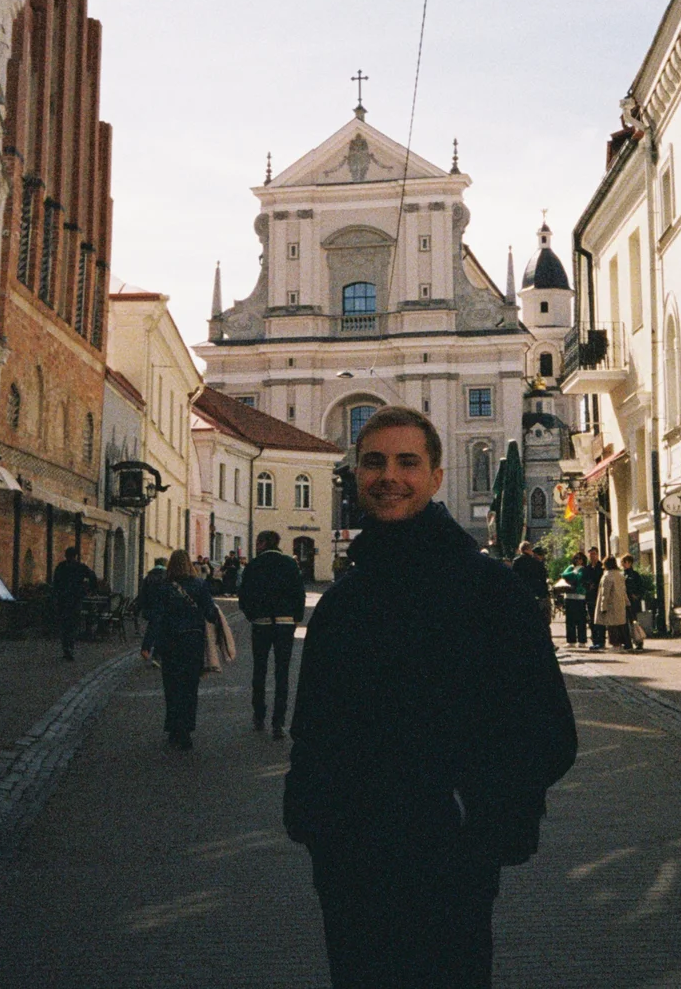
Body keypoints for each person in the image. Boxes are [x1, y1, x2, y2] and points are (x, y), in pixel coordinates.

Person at [284, 406, 577, 989]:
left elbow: (550, 733)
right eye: (374, 462)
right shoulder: (341, 602)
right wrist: (313, 820)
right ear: (355, 473)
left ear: (437, 475)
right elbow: (311, 731)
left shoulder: (490, 590)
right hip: (349, 861)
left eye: (407, 462)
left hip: (448, 860)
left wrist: (477, 817)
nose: (389, 476)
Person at [140, 549, 219, 750]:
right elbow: (210, 614)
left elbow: (156, 618)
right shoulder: (200, 585)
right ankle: (186, 729)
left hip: (170, 643)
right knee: (190, 688)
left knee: (172, 686)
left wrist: (147, 645)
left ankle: (174, 727)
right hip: (192, 642)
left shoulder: (163, 587)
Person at [238, 529, 306, 738]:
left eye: (258, 541)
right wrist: (295, 618)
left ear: (263, 543)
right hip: (285, 623)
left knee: (260, 670)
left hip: (262, 623)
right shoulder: (289, 564)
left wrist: (252, 615)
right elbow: (299, 593)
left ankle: (259, 715)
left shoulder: (254, 565)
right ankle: (279, 722)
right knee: (282, 672)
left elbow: (244, 595)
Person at [52, 546, 97, 660]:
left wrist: (57, 595)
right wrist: (89, 590)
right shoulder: (80, 567)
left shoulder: (61, 567)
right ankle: (70, 648)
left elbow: (55, 583)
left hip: (63, 599)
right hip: (75, 599)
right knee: (73, 624)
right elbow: (92, 577)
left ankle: (66, 647)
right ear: (76, 556)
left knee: (64, 625)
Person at [512, 540, 550, 629]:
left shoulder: (517, 562)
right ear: (529, 550)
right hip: (536, 591)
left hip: (521, 591)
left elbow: (514, 577)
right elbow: (543, 578)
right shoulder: (537, 562)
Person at [594, 555, 628, 649]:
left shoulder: (607, 576)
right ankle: (621, 644)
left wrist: (602, 606)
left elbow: (605, 593)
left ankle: (615, 645)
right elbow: (624, 589)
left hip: (610, 603)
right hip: (620, 602)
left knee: (611, 625)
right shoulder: (620, 575)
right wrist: (626, 602)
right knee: (619, 624)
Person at [560, 551, 589, 646]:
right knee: (570, 620)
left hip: (580, 597)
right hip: (569, 596)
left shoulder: (584, 569)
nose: (578, 560)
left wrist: (572, 575)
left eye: (580, 558)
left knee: (581, 620)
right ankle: (571, 641)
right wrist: (573, 574)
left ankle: (582, 641)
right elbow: (564, 575)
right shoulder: (571, 567)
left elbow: (579, 578)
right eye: (576, 558)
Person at [622, 554, 645, 650]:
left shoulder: (634, 575)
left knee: (634, 622)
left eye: (624, 562)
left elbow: (641, 588)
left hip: (632, 602)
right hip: (626, 602)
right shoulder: (623, 574)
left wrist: (636, 596)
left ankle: (638, 641)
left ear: (629, 563)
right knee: (628, 623)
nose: (622, 564)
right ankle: (630, 642)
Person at [585, 546, 606, 650]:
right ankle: (595, 640)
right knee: (592, 620)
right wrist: (588, 586)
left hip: (599, 596)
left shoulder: (602, 567)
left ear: (597, 554)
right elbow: (584, 581)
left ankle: (601, 641)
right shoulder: (587, 568)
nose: (592, 556)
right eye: (590, 554)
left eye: (593, 554)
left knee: (600, 620)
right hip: (590, 597)